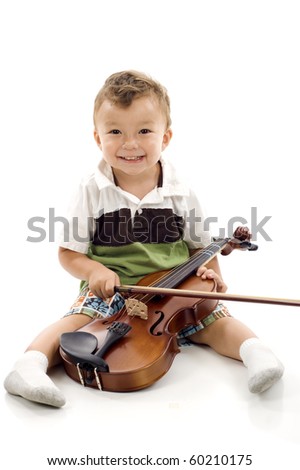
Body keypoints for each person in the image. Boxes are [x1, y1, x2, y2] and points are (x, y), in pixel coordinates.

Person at [4, 70, 284, 407]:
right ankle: (29, 366)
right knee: (74, 324)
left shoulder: (180, 191)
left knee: (215, 321)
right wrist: (94, 271)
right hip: (113, 295)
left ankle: (258, 355)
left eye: (144, 131)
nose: (130, 143)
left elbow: (200, 246)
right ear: (98, 138)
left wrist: (214, 280)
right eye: (116, 131)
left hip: (172, 292)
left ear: (165, 138)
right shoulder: (91, 190)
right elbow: (68, 253)